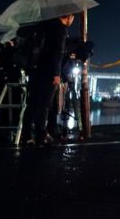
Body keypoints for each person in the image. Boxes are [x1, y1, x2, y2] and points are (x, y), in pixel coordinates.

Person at [27, 14, 74, 147]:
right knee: (45, 105)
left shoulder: (44, 26)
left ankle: (26, 135)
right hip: (49, 71)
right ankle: (41, 135)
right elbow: (58, 52)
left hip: (36, 69)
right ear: (69, 16)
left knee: (33, 103)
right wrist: (56, 74)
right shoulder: (61, 29)